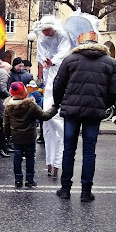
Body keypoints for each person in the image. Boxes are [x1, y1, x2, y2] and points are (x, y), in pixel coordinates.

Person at [53, 32, 116, 202]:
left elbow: (58, 84)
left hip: (72, 111)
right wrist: (102, 105)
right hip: (94, 112)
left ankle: (66, 189)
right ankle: (85, 191)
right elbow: (114, 91)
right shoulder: (110, 62)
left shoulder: (70, 59)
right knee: (89, 150)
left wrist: (58, 102)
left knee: (69, 150)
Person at [34, 15, 76, 177]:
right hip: (50, 71)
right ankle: (52, 162)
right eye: (43, 31)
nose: (45, 33)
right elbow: (41, 53)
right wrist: (46, 60)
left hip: (59, 69)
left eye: (47, 30)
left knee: (57, 123)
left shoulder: (63, 35)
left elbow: (64, 53)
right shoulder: (42, 38)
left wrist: (53, 60)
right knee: (49, 124)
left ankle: (58, 162)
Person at [3, 82, 58, 188]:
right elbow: (44, 116)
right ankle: (30, 180)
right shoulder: (31, 105)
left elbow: (6, 123)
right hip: (29, 136)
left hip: (16, 136)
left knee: (17, 158)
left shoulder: (8, 106)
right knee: (30, 158)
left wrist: (7, 135)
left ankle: (18, 180)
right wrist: (54, 108)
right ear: (24, 92)